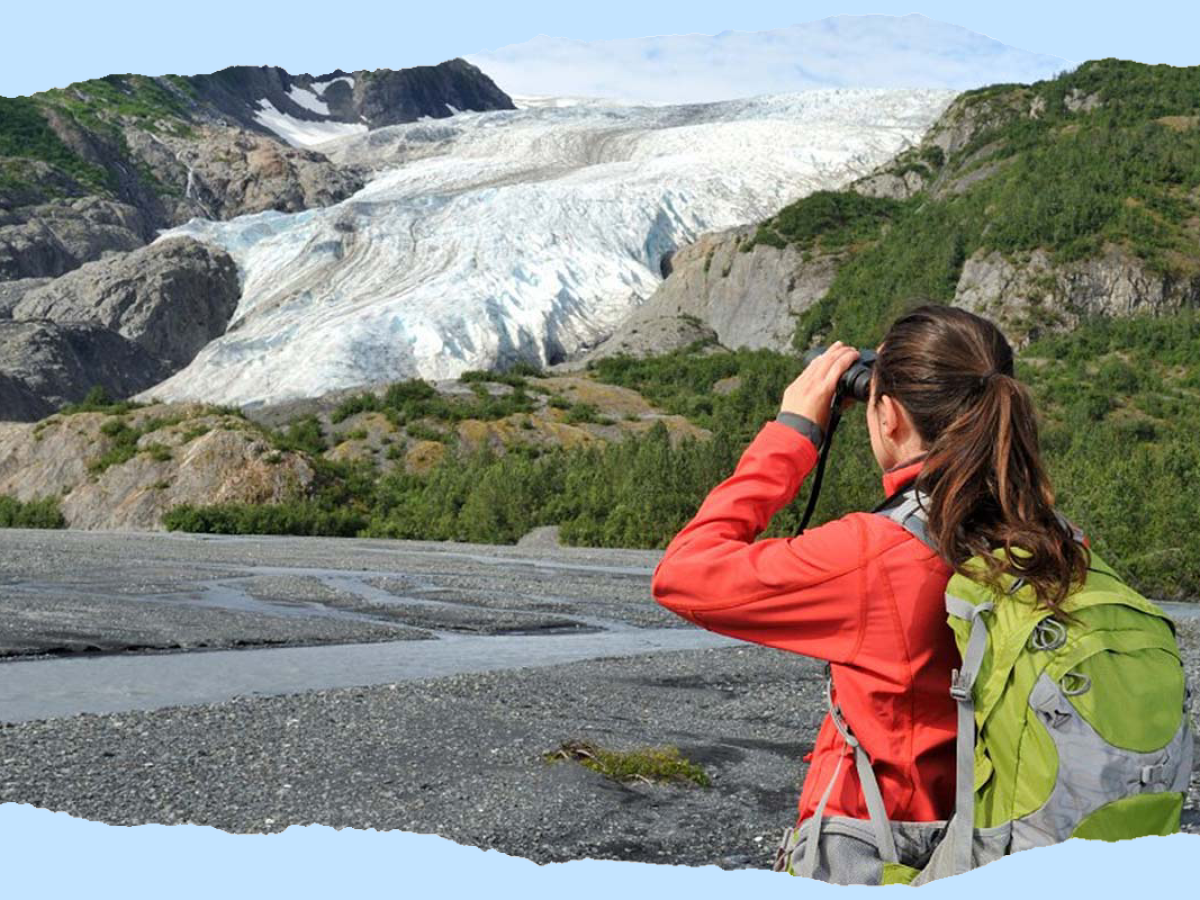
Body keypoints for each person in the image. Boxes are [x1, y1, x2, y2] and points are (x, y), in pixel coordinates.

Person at [651, 304, 1091, 884]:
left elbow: (683, 574)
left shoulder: (877, 552)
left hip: (878, 848)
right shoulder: (1057, 540)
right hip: (1004, 842)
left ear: (888, 417)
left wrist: (793, 434)